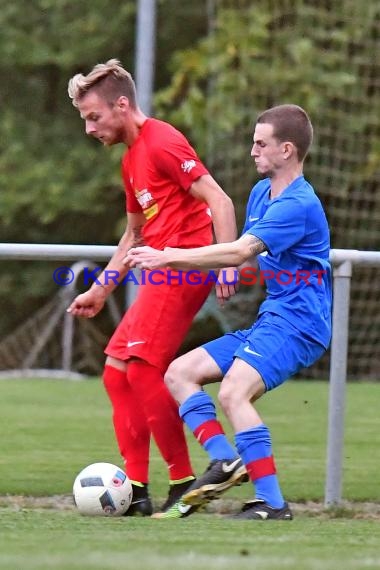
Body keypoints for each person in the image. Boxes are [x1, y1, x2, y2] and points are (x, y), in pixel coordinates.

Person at [127, 104, 332, 520]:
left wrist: (168, 257)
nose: (252, 151)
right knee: (179, 373)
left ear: (287, 150)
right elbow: (248, 256)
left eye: (261, 144)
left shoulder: (298, 203)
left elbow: (241, 249)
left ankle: (272, 505)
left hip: (301, 323)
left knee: (233, 392)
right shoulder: (261, 193)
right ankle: (224, 461)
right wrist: (233, 272)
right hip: (273, 318)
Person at [67, 59, 238, 516]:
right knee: (116, 373)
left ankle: (183, 481)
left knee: (142, 370)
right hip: (161, 271)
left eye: (93, 116)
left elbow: (218, 198)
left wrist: (226, 262)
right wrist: (101, 290)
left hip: (186, 267)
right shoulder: (130, 160)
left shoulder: (163, 141)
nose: (88, 128)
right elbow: (133, 236)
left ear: (122, 105)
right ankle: (136, 488)